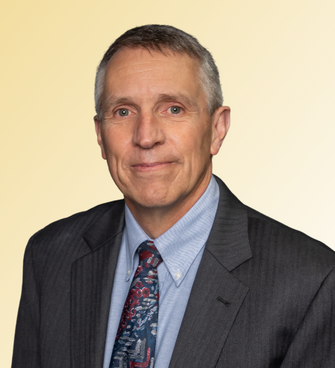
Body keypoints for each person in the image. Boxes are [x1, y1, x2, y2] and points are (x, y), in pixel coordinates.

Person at [12, 25, 335, 368]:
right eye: (123, 111)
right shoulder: (49, 256)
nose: (146, 136)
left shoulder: (310, 280)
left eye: (173, 109)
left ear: (217, 128)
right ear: (100, 136)